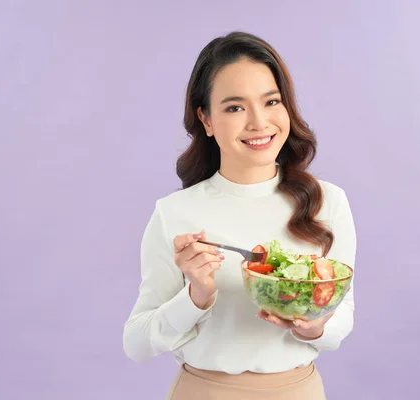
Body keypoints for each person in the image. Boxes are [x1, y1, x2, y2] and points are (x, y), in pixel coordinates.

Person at [122, 31, 357, 400]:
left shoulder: (328, 203)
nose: (259, 122)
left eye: (271, 101)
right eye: (235, 107)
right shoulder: (175, 213)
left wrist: (312, 327)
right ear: (206, 119)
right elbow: (137, 343)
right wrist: (196, 297)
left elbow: (342, 317)